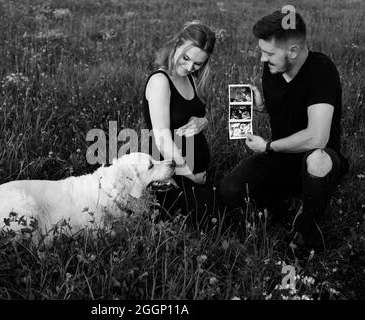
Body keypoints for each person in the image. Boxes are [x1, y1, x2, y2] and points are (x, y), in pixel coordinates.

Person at [220, 10, 349, 251]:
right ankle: (286, 204)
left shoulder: (321, 70)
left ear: (293, 50)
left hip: (317, 157)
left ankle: (305, 229)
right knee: (230, 189)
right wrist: (263, 107)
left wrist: (267, 146)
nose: (262, 59)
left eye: (268, 53)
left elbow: (316, 137)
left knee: (317, 160)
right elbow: (292, 108)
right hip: (282, 158)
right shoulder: (273, 69)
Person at [142, 21, 217, 231]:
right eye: (186, 58)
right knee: (215, 220)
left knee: (228, 205)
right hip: (172, 174)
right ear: (176, 44)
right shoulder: (161, 81)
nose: (190, 66)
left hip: (193, 175)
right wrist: (190, 174)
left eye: (198, 63)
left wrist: (204, 121)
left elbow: (193, 114)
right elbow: (162, 137)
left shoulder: (190, 78)